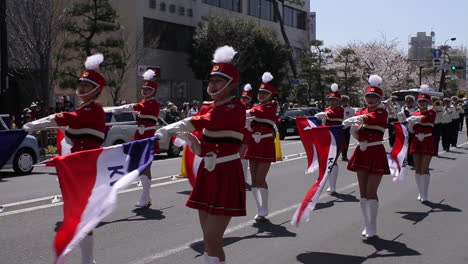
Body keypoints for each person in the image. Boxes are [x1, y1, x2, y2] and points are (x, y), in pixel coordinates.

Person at [155, 46, 246, 264]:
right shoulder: (207, 108)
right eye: (211, 80)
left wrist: (173, 128)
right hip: (208, 172)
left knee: (212, 239)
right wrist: (188, 138)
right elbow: (202, 149)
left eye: (218, 81)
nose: (212, 85)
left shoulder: (236, 107)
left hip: (226, 173)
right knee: (208, 242)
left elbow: (207, 121)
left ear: (231, 84)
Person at [23, 54, 106, 264]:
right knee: (77, 215)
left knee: (83, 216)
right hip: (77, 167)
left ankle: (88, 260)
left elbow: (62, 119)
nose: (82, 89)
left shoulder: (93, 110)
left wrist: (34, 125)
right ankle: (87, 259)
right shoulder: (86, 110)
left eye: (88, 86)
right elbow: (70, 132)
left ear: (96, 89)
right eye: (82, 85)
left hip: (86, 167)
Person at [343, 75, 389, 240]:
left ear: (379, 99)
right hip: (362, 152)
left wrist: (359, 119)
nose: (370, 99)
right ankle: (366, 223)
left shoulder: (382, 111)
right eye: (368, 96)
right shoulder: (360, 111)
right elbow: (358, 131)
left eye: (374, 97)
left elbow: (374, 119)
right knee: (363, 193)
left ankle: (373, 224)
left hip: (376, 152)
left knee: (371, 191)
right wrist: (354, 130)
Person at [112, 69, 161, 208]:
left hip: (147, 137)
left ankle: (145, 196)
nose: (145, 91)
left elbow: (135, 106)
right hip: (139, 136)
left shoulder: (153, 103)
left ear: (153, 91)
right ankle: (147, 196)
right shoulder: (144, 102)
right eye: (144, 89)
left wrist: (119, 109)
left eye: (148, 89)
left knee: (145, 167)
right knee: (141, 166)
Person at [244, 72, 278, 223]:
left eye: (265, 93)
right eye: (260, 92)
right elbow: (250, 122)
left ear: (270, 95)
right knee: (253, 179)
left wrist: (244, 114)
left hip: (265, 144)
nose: (261, 95)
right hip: (253, 144)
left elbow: (262, 114)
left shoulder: (272, 107)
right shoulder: (254, 108)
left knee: (260, 178)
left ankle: (265, 207)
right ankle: (260, 209)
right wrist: (248, 126)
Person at [406, 85, 436, 203]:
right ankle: (420, 191)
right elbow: (411, 131)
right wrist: (410, 125)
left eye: (424, 101)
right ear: (418, 102)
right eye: (420, 101)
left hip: (427, 140)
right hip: (417, 141)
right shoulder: (414, 114)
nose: (422, 103)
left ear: (428, 102)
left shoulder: (431, 112)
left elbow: (426, 119)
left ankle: (425, 193)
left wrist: (414, 119)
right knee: (417, 168)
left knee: (424, 168)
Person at [315, 83, 344, 193]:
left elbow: (332, 115)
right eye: (330, 99)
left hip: (337, 137)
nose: (332, 102)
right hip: (327, 137)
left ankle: (333, 186)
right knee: (327, 160)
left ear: (338, 101)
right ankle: (329, 183)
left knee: (333, 160)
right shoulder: (327, 110)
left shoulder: (340, 110)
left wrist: (324, 114)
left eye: (334, 100)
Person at [240, 83, 254, 182]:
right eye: (243, 97)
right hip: (238, 134)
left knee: (244, 156)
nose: (244, 99)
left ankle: (243, 178)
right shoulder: (239, 106)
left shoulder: (252, 108)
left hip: (247, 134)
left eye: (246, 98)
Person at [398, 95, 417, 166]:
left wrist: (408, 114)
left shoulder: (415, 109)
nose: (408, 102)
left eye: (410, 101)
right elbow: (399, 118)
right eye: (407, 101)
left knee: (411, 145)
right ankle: (402, 159)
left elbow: (415, 118)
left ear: (413, 102)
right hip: (403, 128)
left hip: (411, 129)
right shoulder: (402, 108)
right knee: (403, 145)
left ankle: (410, 160)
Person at [341, 95, 355, 161]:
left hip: (347, 128)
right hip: (339, 127)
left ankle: (344, 155)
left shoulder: (351, 110)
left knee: (346, 142)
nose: (343, 102)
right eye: (342, 101)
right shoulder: (339, 109)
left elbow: (352, 119)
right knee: (339, 142)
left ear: (347, 101)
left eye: (344, 101)